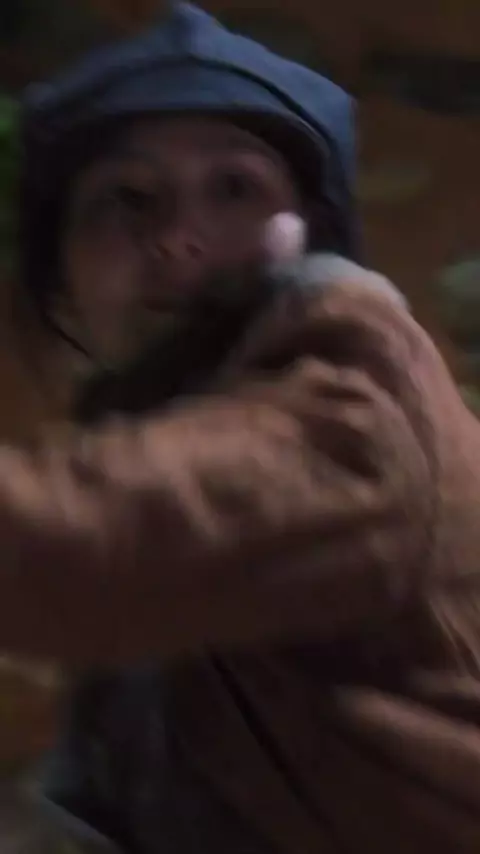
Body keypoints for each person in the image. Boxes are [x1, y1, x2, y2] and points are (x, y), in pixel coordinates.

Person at [2, 2, 480, 852]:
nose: (178, 239)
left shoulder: (360, 397)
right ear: (62, 277)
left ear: (308, 237)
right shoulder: (160, 428)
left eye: (235, 188)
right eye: (125, 199)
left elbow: (75, 544)